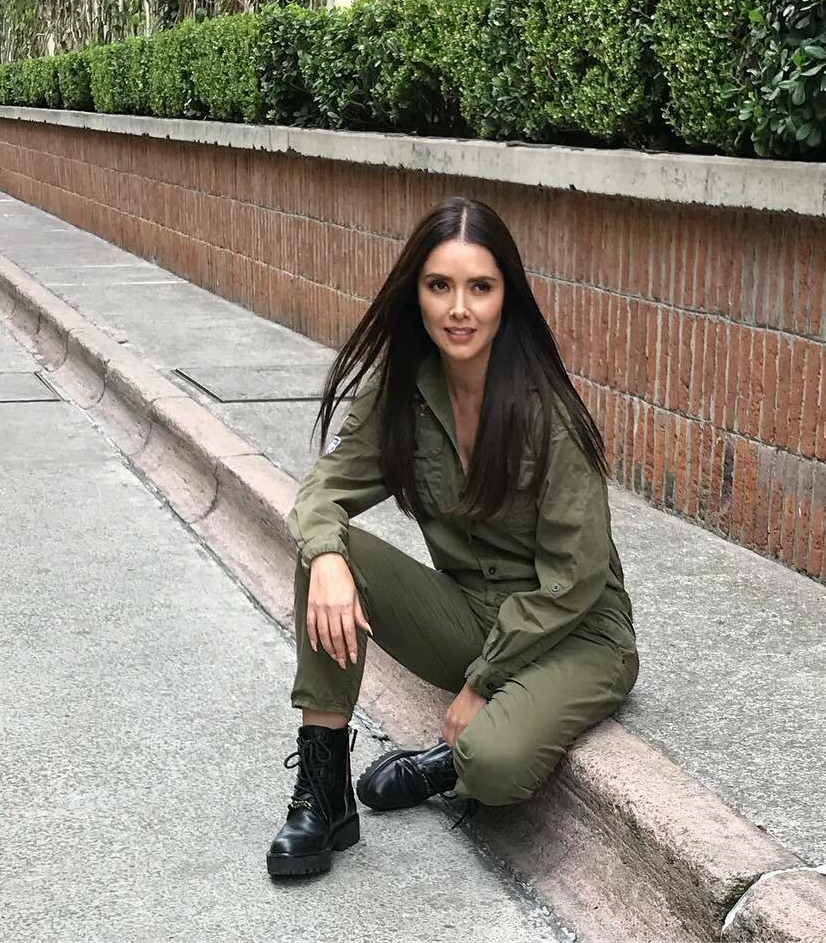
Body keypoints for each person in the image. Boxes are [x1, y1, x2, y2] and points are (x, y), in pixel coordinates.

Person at [265, 196, 640, 878]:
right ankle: (323, 795)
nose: (459, 309)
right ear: (417, 294)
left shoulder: (547, 412)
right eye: (440, 286)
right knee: (328, 554)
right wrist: (326, 557)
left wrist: (483, 682)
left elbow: (574, 581)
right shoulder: (403, 391)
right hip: (471, 616)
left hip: (577, 634)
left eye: (480, 288)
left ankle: (446, 765)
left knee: (494, 766)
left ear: (506, 298)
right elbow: (325, 490)